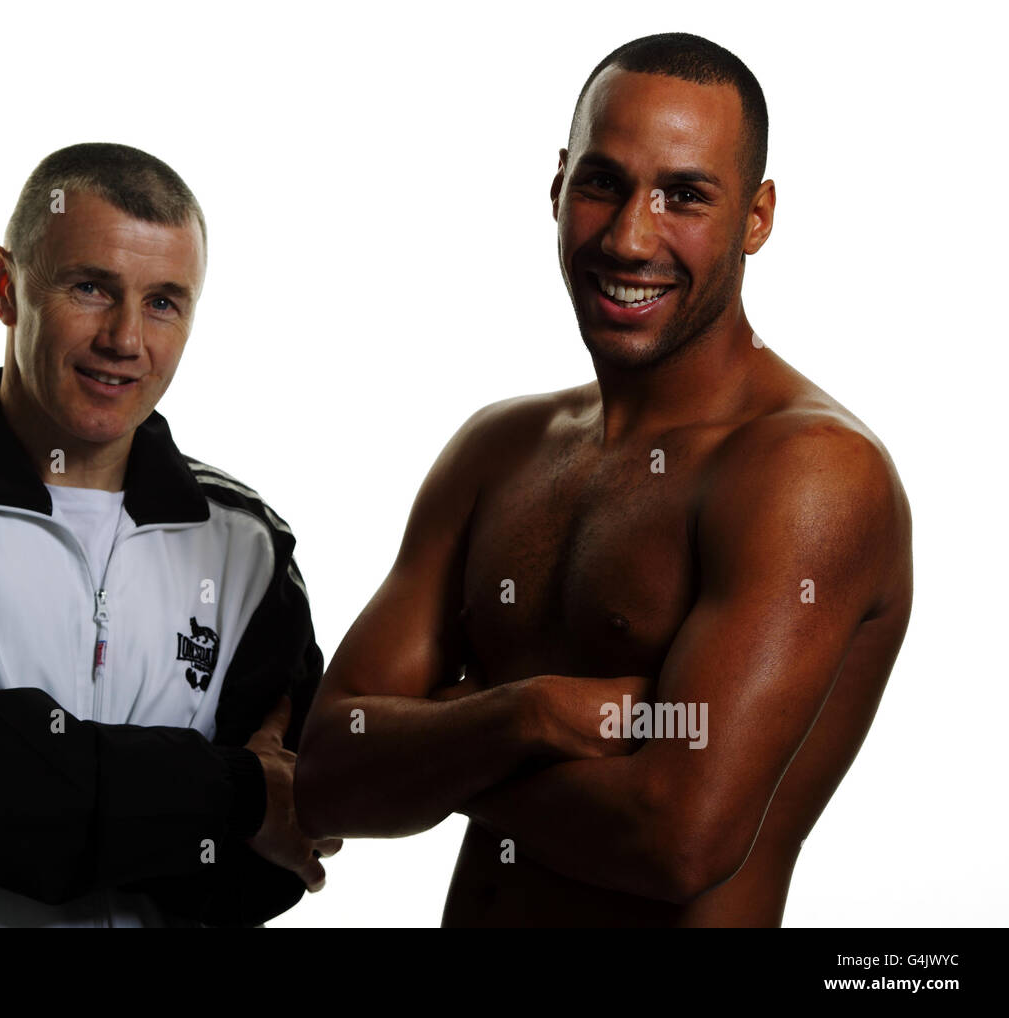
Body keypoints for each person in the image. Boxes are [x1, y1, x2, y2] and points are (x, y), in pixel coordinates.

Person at [294, 32, 913, 927]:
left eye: (685, 196)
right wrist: (528, 716)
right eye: (603, 183)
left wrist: (438, 748)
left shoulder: (807, 471)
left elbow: (677, 840)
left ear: (757, 217)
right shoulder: (499, 447)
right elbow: (328, 769)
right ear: (557, 185)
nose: (630, 237)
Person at [0, 142, 339, 927]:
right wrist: (230, 794)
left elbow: (276, 855)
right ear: (6, 287)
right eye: (91, 287)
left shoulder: (247, 544)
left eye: (163, 302)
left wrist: (77, 795)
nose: (125, 339)